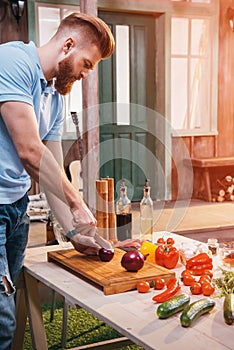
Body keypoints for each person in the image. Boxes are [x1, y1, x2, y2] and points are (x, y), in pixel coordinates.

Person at [0, 12, 115, 349]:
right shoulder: (11, 62)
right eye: (87, 64)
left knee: (9, 303)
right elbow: (30, 152)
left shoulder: (55, 96)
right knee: (3, 321)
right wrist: (78, 203)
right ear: (67, 45)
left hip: (17, 209)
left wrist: (75, 232)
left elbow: (51, 170)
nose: (86, 73)